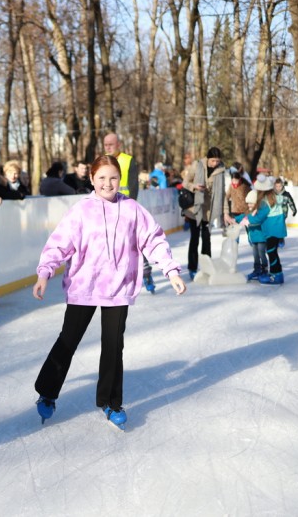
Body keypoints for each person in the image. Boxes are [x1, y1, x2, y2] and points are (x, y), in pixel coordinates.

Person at [31, 155, 186, 431]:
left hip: (118, 288)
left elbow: (153, 240)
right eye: (101, 177)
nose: (107, 183)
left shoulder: (132, 209)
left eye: (113, 177)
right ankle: (48, 391)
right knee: (68, 340)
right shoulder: (81, 210)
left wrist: (171, 271)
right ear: (92, 180)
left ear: (120, 180)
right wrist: (44, 272)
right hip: (84, 287)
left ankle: (111, 402)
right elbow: (59, 243)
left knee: (113, 346)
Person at [103, 133, 156, 292]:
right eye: (106, 145)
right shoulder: (102, 161)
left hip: (126, 208)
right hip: (107, 209)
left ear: (118, 144)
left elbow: (133, 186)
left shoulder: (128, 160)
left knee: (134, 243)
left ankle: (146, 275)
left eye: (111, 144)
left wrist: (129, 205)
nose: (108, 148)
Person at [181, 147, 225, 280]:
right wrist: (194, 187)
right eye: (213, 161)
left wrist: (225, 212)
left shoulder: (221, 170)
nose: (215, 164)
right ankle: (192, 268)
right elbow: (185, 182)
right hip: (195, 208)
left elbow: (221, 192)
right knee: (194, 239)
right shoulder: (197, 165)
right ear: (208, 158)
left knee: (207, 239)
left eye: (217, 161)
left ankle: (207, 267)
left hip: (208, 210)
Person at [239, 175, 287, 284]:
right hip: (277, 228)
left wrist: (248, 219)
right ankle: (277, 273)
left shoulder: (265, 201)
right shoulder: (273, 197)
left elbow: (259, 218)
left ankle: (276, 276)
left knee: (271, 252)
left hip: (272, 229)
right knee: (272, 251)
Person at [273, 178, 297, 247]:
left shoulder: (286, 194)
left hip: (283, 213)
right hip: (274, 213)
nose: (278, 188)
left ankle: (281, 239)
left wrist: (294, 210)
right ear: (274, 186)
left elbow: (291, 203)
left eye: (279, 186)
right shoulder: (272, 194)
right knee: (274, 226)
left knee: (280, 226)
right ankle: (275, 239)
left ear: (282, 186)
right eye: (276, 186)